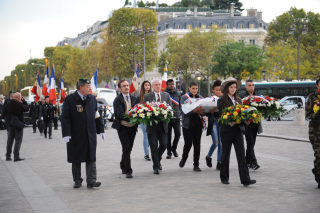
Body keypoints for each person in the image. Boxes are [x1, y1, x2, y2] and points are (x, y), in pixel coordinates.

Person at [61, 78, 105, 189]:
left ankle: (92, 180)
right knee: (76, 157)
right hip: (76, 134)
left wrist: (101, 129)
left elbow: (96, 115)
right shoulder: (70, 100)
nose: (90, 89)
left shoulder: (92, 99)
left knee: (91, 156)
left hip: (90, 133)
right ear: (81, 88)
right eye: (88, 86)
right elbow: (65, 118)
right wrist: (66, 133)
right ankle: (77, 180)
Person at [217, 77, 256, 186]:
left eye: (235, 87)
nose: (233, 89)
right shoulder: (221, 100)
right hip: (227, 131)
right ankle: (224, 177)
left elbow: (242, 113)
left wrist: (246, 120)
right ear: (227, 88)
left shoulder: (239, 100)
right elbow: (222, 116)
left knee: (241, 155)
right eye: (231, 87)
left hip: (238, 130)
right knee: (226, 154)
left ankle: (245, 179)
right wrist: (232, 122)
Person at [142, 79, 172, 174]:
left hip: (163, 125)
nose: (158, 86)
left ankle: (157, 159)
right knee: (153, 146)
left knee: (164, 145)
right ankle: (155, 166)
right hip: (152, 126)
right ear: (152, 86)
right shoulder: (147, 96)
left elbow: (170, 108)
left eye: (159, 84)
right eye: (156, 85)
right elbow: (144, 109)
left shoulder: (166, 95)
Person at [112, 79, 139, 178]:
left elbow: (138, 110)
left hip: (132, 127)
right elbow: (119, 114)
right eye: (124, 86)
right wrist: (132, 119)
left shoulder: (134, 98)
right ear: (119, 88)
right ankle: (128, 170)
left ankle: (123, 164)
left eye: (127, 85)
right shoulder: (117, 100)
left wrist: (138, 118)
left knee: (129, 148)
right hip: (122, 127)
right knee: (126, 148)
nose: (126, 87)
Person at [179, 82, 205, 172]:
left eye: (196, 88)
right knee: (188, 144)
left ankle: (196, 164)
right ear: (189, 88)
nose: (195, 90)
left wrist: (202, 112)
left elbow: (204, 111)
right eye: (193, 88)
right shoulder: (184, 97)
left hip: (198, 124)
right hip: (187, 125)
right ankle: (184, 159)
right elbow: (184, 111)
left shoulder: (200, 98)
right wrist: (194, 110)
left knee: (197, 144)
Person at [238, 80, 263, 170]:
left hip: (255, 123)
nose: (251, 87)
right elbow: (239, 110)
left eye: (253, 85)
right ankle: (253, 162)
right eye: (249, 85)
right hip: (246, 123)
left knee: (251, 143)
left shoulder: (259, 96)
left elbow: (263, 107)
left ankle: (247, 161)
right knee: (250, 142)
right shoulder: (241, 97)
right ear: (246, 86)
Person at [5, 92, 29, 161]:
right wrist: (24, 101)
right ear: (19, 98)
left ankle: (8, 156)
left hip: (11, 124)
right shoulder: (19, 104)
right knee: (18, 140)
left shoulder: (8, 103)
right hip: (18, 124)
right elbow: (26, 108)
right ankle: (16, 156)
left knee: (10, 140)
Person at [305, 76, 320, 189]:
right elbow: (308, 115)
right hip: (316, 131)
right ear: (317, 85)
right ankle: (319, 177)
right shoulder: (312, 98)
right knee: (319, 155)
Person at [205, 80, 222, 170]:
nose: (218, 91)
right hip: (213, 121)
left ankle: (219, 162)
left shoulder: (224, 98)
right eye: (216, 90)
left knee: (221, 143)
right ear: (213, 90)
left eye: (220, 90)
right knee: (215, 143)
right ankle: (208, 156)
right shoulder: (210, 99)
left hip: (222, 121)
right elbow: (208, 112)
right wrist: (216, 106)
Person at [164, 79, 181, 159]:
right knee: (168, 136)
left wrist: (180, 112)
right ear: (167, 85)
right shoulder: (164, 94)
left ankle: (174, 148)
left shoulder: (178, 93)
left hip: (177, 117)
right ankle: (169, 152)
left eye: (172, 84)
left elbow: (180, 104)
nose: (172, 85)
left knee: (178, 134)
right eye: (170, 84)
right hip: (168, 117)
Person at [138, 80, 152, 161]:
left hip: (151, 118)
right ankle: (146, 154)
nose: (147, 86)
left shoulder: (152, 96)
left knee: (150, 135)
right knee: (145, 134)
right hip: (143, 118)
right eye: (146, 85)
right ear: (143, 86)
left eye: (148, 85)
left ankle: (147, 148)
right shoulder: (140, 96)